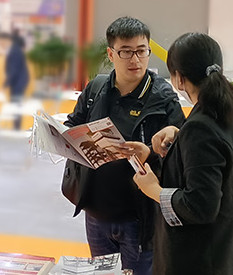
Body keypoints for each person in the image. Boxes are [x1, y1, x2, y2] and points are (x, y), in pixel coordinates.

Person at [120, 32, 233, 275]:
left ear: (179, 79)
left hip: (204, 259)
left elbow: (199, 206)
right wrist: (177, 139)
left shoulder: (201, 126)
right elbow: (219, 167)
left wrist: (153, 190)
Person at [60, 17, 185, 275]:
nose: (135, 59)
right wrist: (59, 137)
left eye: (141, 51)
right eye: (126, 52)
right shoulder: (96, 89)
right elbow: (72, 125)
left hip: (139, 218)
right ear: (111, 54)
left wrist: (149, 152)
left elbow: (181, 152)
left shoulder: (163, 97)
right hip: (96, 213)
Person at [1, 31, 30, 130]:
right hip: (17, 80)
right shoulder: (14, 49)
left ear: (6, 40)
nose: (1, 45)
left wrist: (5, 85)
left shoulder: (15, 51)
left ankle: (16, 127)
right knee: (15, 102)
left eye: (1, 42)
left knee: (16, 103)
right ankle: (16, 126)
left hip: (19, 81)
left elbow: (14, 70)